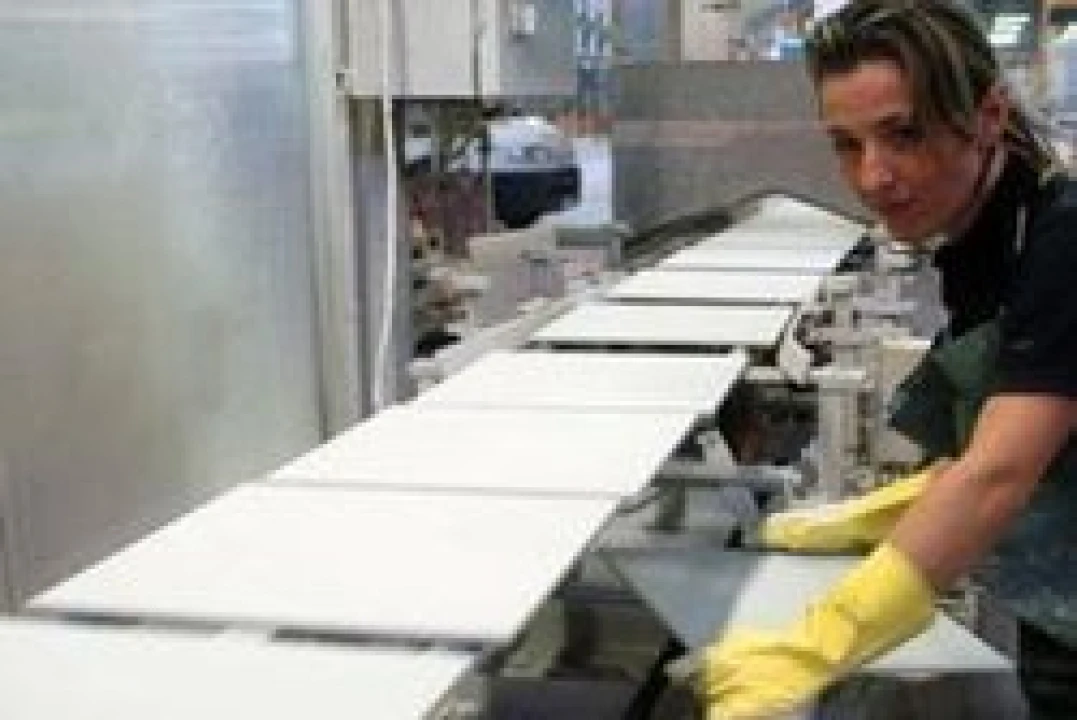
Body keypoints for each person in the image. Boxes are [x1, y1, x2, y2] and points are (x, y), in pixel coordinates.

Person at [668, 1, 1077, 718]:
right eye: (846, 145)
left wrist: (812, 647)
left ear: (987, 116)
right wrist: (877, 516)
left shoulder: (1062, 242)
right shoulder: (988, 237)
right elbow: (1020, 436)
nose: (872, 176)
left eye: (903, 134)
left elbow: (999, 474)